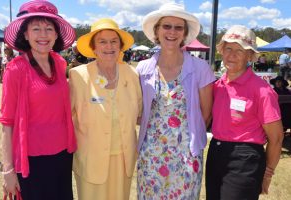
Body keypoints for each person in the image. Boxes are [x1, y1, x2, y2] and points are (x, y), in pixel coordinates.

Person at [0, 0, 77, 199]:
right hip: (30, 160)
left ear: (56, 34)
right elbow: (7, 123)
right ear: (25, 34)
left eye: (49, 28)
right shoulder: (15, 69)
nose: (43, 35)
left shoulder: (60, 63)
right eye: (36, 28)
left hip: (62, 155)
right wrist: (7, 169)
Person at [136, 3, 215, 199]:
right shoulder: (143, 69)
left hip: (186, 154)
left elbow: (206, 113)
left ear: (185, 33)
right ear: (157, 30)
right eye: (166, 26)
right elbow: (139, 112)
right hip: (151, 153)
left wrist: (187, 140)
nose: (172, 32)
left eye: (178, 27)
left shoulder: (200, 68)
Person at [205, 25, 284, 200]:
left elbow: (277, 137)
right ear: (221, 52)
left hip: (245, 159)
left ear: (250, 56)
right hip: (215, 153)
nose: (231, 55)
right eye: (228, 49)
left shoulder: (262, 90)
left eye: (239, 50)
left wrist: (268, 173)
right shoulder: (217, 86)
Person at [69, 18, 142, 200]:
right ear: (93, 47)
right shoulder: (78, 75)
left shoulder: (132, 74)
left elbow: (138, 112)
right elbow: (67, 118)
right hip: (90, 160)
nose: (108, 46)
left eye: (113, 41)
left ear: (120, 45)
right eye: (102, 41)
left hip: (123, 159)